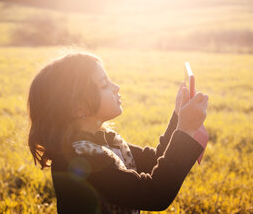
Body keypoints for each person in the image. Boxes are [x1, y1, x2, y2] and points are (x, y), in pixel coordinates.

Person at [27, 51, 209, 214]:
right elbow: (155, 193)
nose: (116, 87)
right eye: (104, 84)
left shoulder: (102, 142)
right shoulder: (80, 159)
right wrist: (184, 131)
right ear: (77, 108)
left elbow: (155, 161)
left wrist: (178, 116)